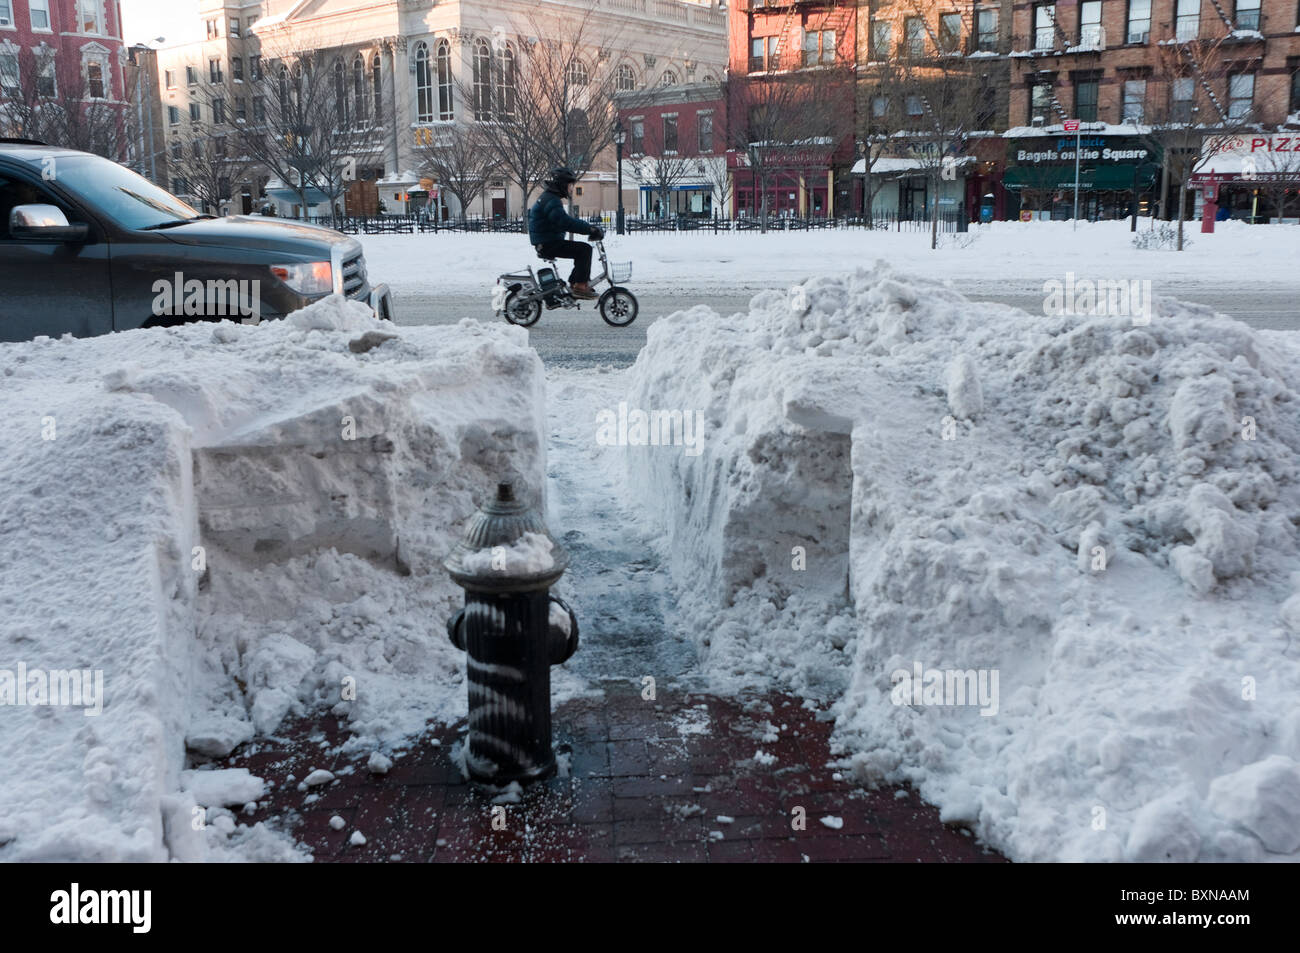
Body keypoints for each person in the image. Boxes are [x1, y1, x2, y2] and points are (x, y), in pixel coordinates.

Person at [529, 168, 603, 299]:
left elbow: (564, 221)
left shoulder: (550, 198)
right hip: (547, 243)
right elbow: (564, 222)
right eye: (570, 185)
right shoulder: (551, 200)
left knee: (581, 250)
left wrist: (587, 228)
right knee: (584, 250)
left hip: (547, 241)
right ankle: (580, 286)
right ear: (562, 185)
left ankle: (576, 283)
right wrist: (589, 229)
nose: (571, 189)